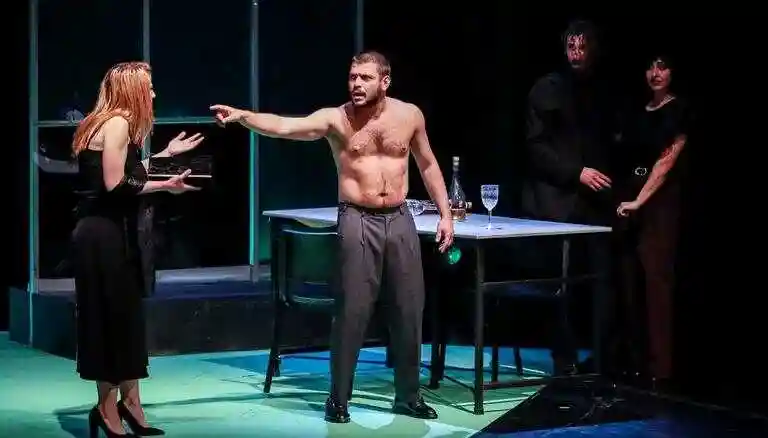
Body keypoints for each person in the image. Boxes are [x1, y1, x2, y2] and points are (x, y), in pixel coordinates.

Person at [211, 51, 454, 423]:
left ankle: (408, 396)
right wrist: (244, 116)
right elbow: (284, 126)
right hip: (357, 217)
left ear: (385, 81)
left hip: (400, 219)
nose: (356, 84)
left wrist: (445, 214)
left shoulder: (409, 116)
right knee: (352, 311)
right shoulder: (336, 119)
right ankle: (338, 399)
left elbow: (428, 163)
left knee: (409, 309)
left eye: (365, 78)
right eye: (353, 77)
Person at [71, 61, 203, 437]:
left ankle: (130, 403)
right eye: (149, 87)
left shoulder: (108, 122)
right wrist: (166, 185)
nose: (154, 94)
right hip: (102, 235)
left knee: (125, 318)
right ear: (133, 91)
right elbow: (116, 185)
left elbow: (124, 171)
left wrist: (164, 156)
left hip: (111, 231)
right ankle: (106, 407)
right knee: (109, 320)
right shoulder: (117, 123)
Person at [520, 20, 618, 376]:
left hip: (598, 202)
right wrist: (577, 173)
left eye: (582, 46)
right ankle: (564, 358)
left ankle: (604, 356)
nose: (576, 53)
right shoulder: (547, 88)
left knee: (603, 281)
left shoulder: (605, 91)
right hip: (556, 202)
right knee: (559, 284)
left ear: (593, 49)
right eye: (571, 46)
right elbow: (536, 147)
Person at [615, 54, 692, 390]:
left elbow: (666, 162)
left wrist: (640, 200)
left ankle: (661, 368)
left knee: (656, 282)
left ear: (673, 71)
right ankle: (634, 361)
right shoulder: (638, 111)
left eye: (662, 66)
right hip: (631, 198)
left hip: (660, 204)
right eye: (650, 66)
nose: (655, 73)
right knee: (629, 281)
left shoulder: (679, 110)